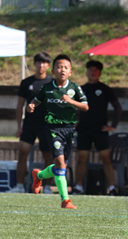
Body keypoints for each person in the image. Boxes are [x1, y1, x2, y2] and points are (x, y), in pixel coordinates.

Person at [29, 54, 88, 209]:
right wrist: (32, 105)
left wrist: (71, 101)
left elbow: (85, 107)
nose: (62, 70)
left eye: (66, 67)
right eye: (59, 67)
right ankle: (65, 200)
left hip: (69, 130)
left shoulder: (75, 88)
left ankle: (39, 175)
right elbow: (37, 99)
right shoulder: (47, 88)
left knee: (61, 167)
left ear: (70, 72)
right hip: (53, 129)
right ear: (53, 70)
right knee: (60, 163)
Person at [73, 60, 122, 195]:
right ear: (87, 72)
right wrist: (73, 121)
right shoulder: (81, 89)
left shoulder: (105, 89)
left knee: (106, 158)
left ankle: (112, 188)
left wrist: (113, 126)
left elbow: (118, 107)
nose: (92, 72)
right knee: (82, 158)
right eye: (90, 70)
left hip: (100, 130)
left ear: (99, 73)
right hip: (84, 130)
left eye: (95, 70)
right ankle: (78, 187)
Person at [11, 52, 54, 194]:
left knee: (48, 156)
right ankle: (19, 186)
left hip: (46, 126)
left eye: (44, 63)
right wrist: (19, 126)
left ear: (48, 65)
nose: (41, 65)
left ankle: (47, 187)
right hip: (29, 125)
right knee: (22, 153)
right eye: (38, 62)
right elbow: (19, 105)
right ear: (34, 64)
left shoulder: (52, 83)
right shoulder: (26, 82)